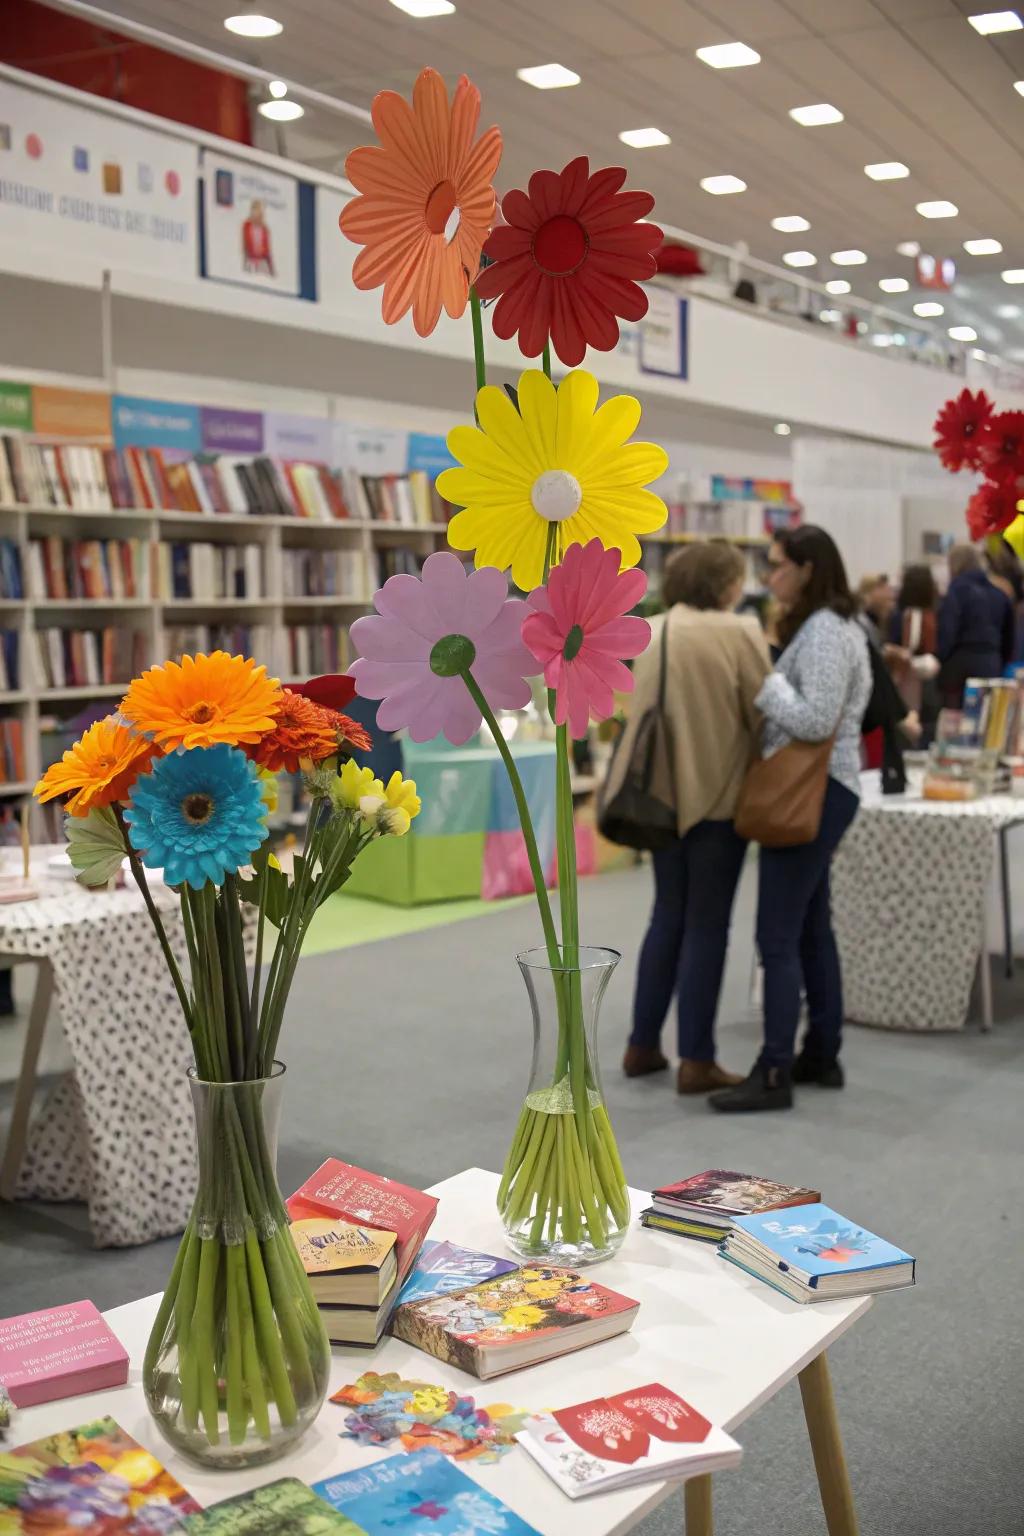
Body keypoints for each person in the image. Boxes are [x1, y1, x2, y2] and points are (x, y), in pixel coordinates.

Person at [709, 525, 871, 1114]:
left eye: (777, 566)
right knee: (809, 926)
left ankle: (775, 1069)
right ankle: (821, 1052)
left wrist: (764, 680)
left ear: (806, 568)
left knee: (776, 934)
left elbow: (816, 718)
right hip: (827, 787)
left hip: (811, 789)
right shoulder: (843, 624)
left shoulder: (826, 630)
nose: (769, 577)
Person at [619, 542, 770, 1094]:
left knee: (667, 917)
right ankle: (697, 1059)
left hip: (659, 800)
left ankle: (642, 1044)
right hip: (719, 801)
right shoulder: (740, 632)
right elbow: (764, 712)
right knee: (708, 926)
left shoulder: (650, 631)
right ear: (725, 582)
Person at [938, 543, 1015, 707]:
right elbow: (1009, 637)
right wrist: (1000, 661)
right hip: (991, 663)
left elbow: (948, 630)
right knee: (986, 718)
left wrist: (941, 659)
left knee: (957, 719)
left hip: (959, 666)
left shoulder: (956, 590)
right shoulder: (999, 594)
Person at [887, 564, 941, 738]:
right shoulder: (934, 614)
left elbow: (902, 645)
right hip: (929, 678)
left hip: (906, 678)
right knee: (928, 726)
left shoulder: (902, 616)